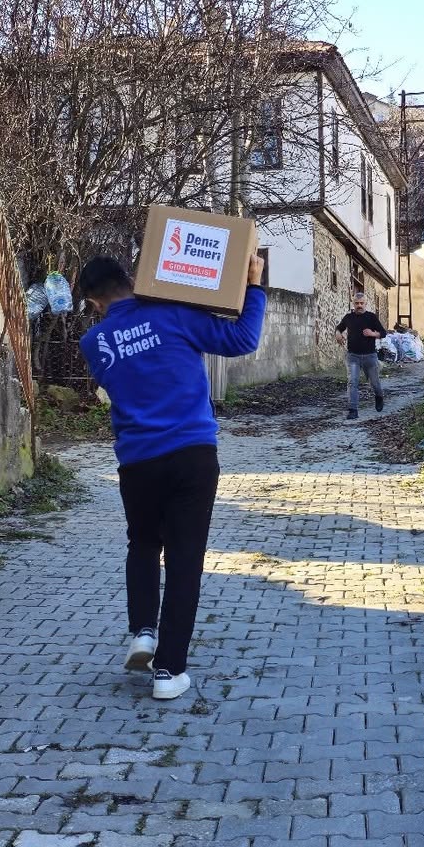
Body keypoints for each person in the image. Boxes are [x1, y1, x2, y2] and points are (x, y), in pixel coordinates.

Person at [75, 251, 266, 701]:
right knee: (184, 560)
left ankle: (143, 630)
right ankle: (169, 672)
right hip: (192, 454)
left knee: (142, 544)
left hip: (137, 461)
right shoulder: (175, 313)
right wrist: (253, 285)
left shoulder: (95, 342)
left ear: (94, 302)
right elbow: (242, 339)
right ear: (129, 278)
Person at [335, 293, 386, 419]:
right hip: (353, 356)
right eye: (357, 303)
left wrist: (372, 334)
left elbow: (383, 333)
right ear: (353, 304)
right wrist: (338, 334)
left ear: (365, 304)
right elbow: (339, 328)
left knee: (374, 383)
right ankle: (353, 410)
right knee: (352, 382)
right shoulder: (348, 317)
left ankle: (379, 396)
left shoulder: (371, 317)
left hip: (370, 356)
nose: (359, 306)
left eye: (361, 303)